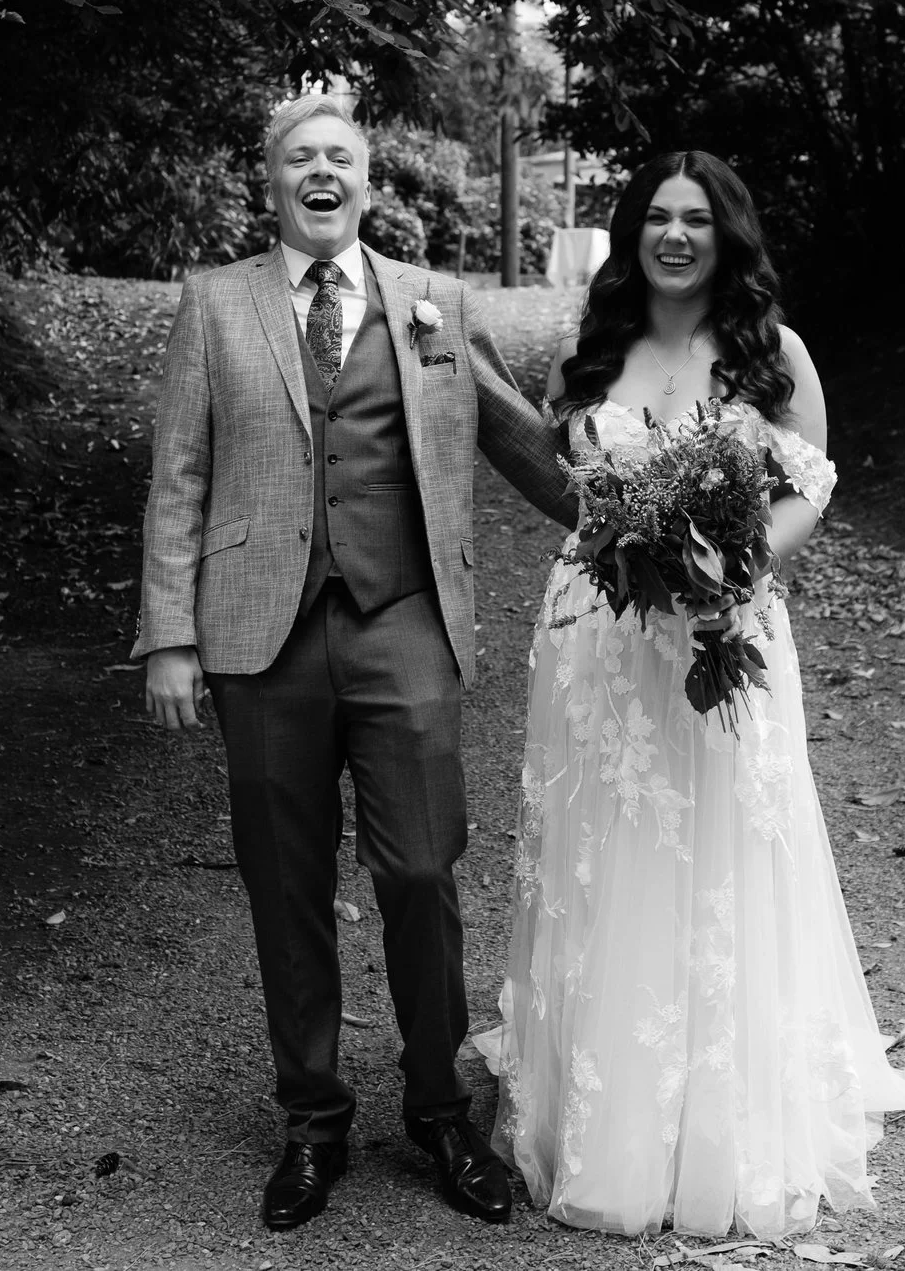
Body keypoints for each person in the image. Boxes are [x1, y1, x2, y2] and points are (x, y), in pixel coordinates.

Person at [471, 150, 905, 1239]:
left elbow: (809, 484)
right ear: (632, 232)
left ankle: (716, 1119)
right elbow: (570, 485)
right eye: (656, 218)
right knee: (610, 853)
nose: (673, 236)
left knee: (717, 852)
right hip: (596, 644)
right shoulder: (593, 354)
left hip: (727, 630)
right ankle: (605, 1111)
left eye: (696, 220)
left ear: (727, 236)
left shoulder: (773, 354)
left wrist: (737, 574)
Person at [134, 93, 579, 1233]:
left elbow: (516, 432)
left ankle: (439, 1110)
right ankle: (312, 1119)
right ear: (270, 181)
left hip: (404, 621)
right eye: (298, 157)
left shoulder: (432, 300)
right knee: (285, 884)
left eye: (339, 155)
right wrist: (171, 635)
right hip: (258, 636)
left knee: (423, 869)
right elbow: (179, 473)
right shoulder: (215, 302)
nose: (319, 170)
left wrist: (634, 517)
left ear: (368, 183)